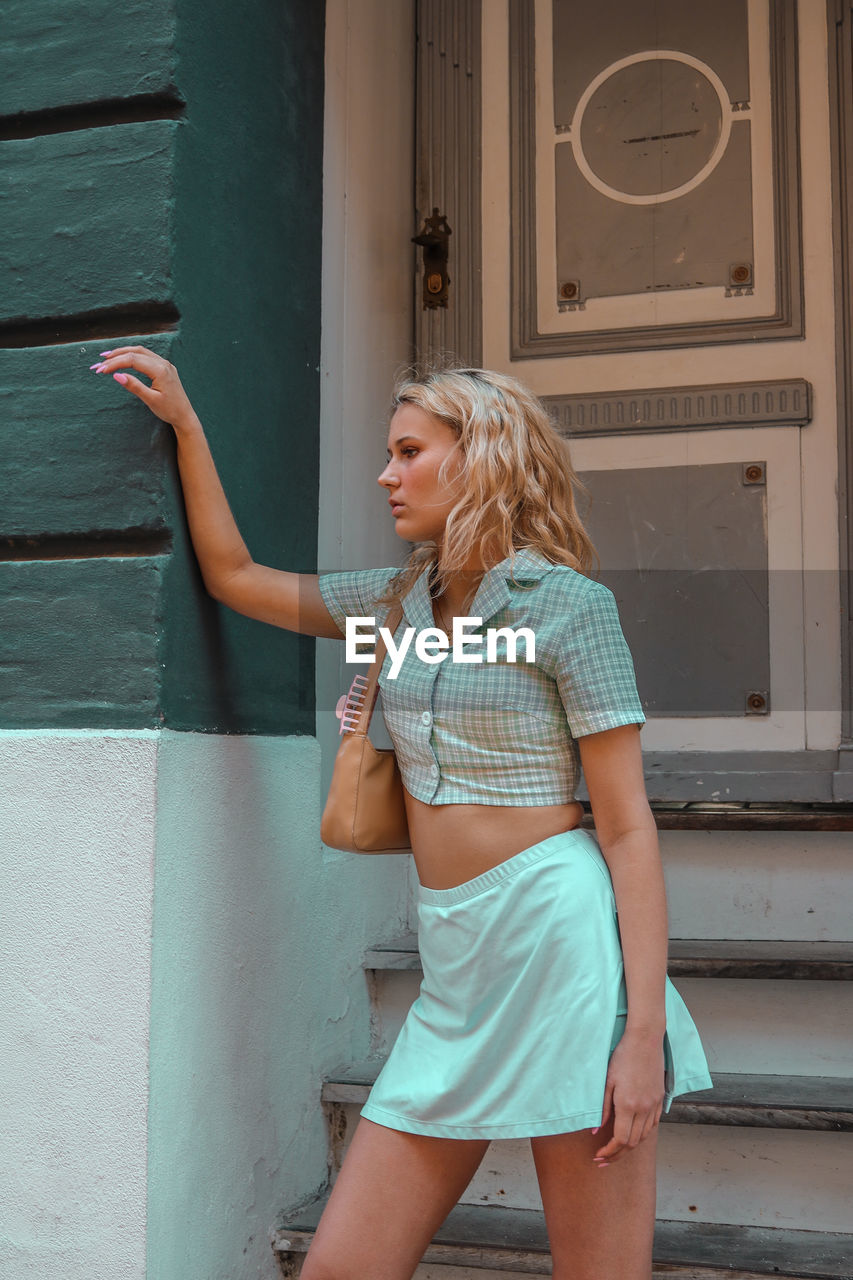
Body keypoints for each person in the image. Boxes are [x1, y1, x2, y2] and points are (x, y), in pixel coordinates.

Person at [90, 347, 712, 1280]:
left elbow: (625, 828)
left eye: (409, 451)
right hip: (456, 966)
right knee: (341, 1268)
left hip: (562, 951)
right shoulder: (395, 604)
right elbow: (237, 578)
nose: (386, 474)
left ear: (482, 459)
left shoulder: (570, 608)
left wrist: (640, 1038)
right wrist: (186, 423)